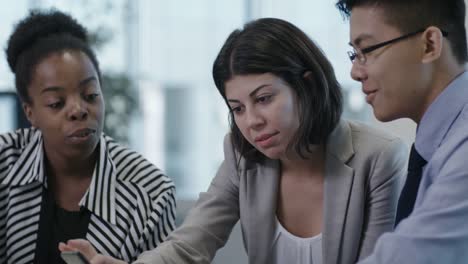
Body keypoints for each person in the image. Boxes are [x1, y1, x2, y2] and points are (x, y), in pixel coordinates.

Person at [61, 17, 407, 264]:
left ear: (307, 85)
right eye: (237, 108)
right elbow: (189, 245)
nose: (251, 122)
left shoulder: (379, 158)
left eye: (264, 99)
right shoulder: (243, 157)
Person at [0, 10, 176, 264]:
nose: (78, 110)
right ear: (30, 113)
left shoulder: (150, 194)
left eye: (90, 95)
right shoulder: (5, 163)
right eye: (56, 103)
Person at [335, 0, 468, 263]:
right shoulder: (438, 144)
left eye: (367, 51)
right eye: (354, 54)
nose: (355, 72)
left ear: (429, 44)